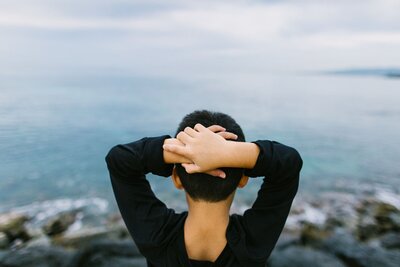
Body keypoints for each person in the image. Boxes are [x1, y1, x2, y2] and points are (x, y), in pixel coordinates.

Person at [105, 110, 303, 267]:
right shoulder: (253, 244)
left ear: (177, 179)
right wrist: (229, 153)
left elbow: (120, 160)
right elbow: (288, 163)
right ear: (243, 179)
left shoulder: (158, 239)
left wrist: (183, 152)